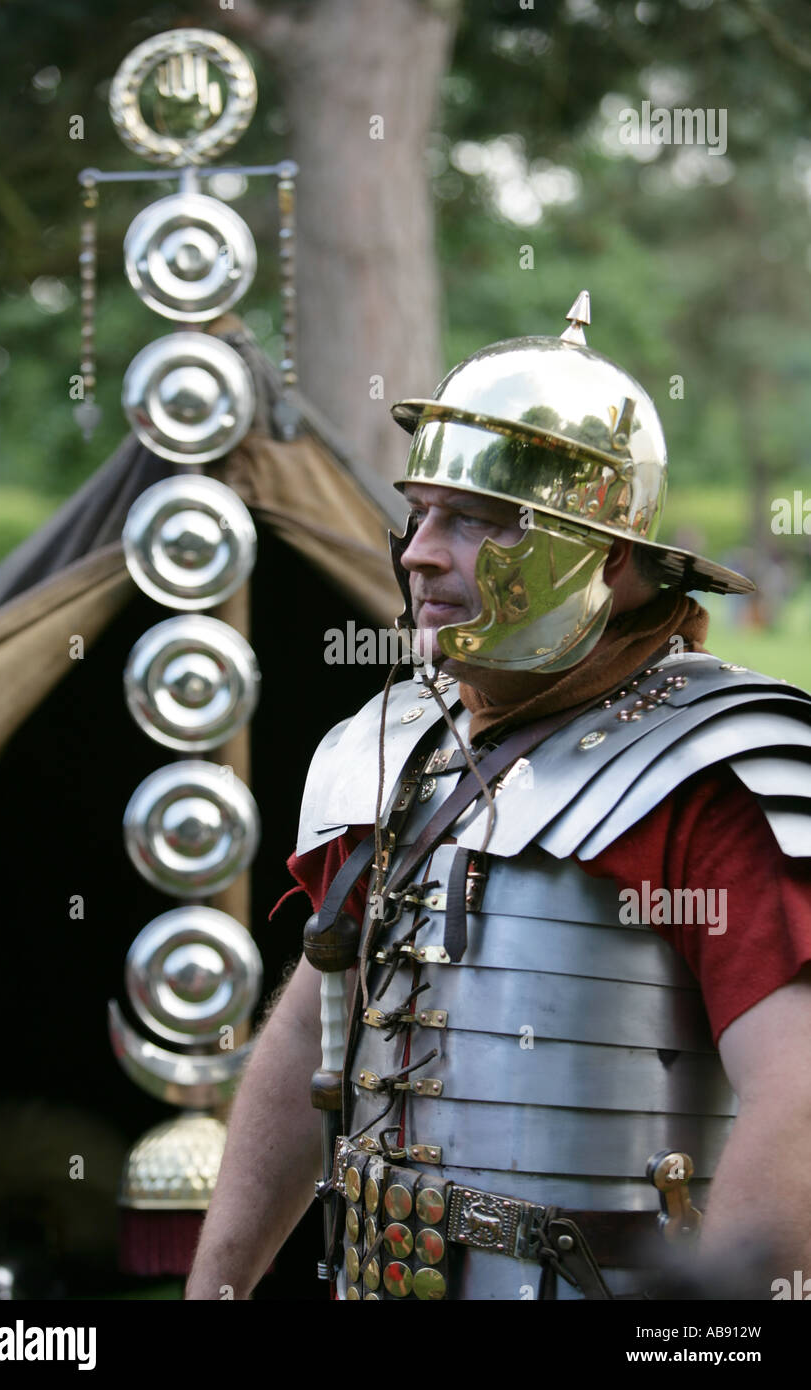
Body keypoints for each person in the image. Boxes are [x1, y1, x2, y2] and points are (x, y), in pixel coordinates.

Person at [186, 294, 811, 1301]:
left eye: (471, 522)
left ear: (601, 558)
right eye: (420, 513)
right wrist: (214, 1290)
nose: (418, 552)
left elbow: (799, 1106)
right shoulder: (392, 749)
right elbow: (311, 1030)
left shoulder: (714, 771)